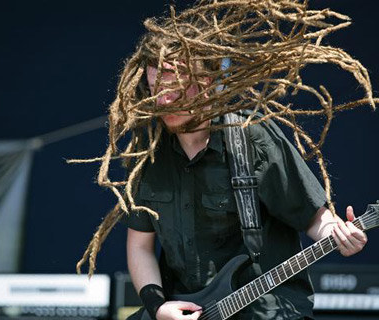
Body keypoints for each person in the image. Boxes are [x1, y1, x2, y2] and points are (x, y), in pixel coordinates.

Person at [123, 61, 368, 320]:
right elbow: (140, 246)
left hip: (264, 306)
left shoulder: (251, 136)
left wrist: (338, 234)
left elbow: (312, 216)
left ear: (205, 81)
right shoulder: (148, 153)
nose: (164, 100)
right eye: (155, 89)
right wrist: (158, 307)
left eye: (173, 88)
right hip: (187, 307)